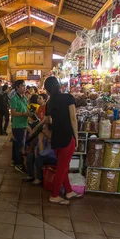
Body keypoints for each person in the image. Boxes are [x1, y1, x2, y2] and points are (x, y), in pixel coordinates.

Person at [44, 76, 80, 205]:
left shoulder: (49, 102)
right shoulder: (68, 98)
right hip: (66, 137)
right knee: (62, 168)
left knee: (63, 166)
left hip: (56, 138)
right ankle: (54, 195)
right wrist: (76, 137)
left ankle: (69, 191)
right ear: (58, 86)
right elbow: (73, 119)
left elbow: (49, 120)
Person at [11, 80, 34, 173]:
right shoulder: (14, 98)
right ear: (17, 87)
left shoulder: (24, 98)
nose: (24, 88)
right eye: (22, 86)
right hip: (18, 125)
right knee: (20, 146)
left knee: (17, 144)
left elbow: (25, 108)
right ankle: (19, 164)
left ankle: (15, 161)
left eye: (24, 86)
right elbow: (13, 113)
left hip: (24, 124)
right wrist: (24, 113)